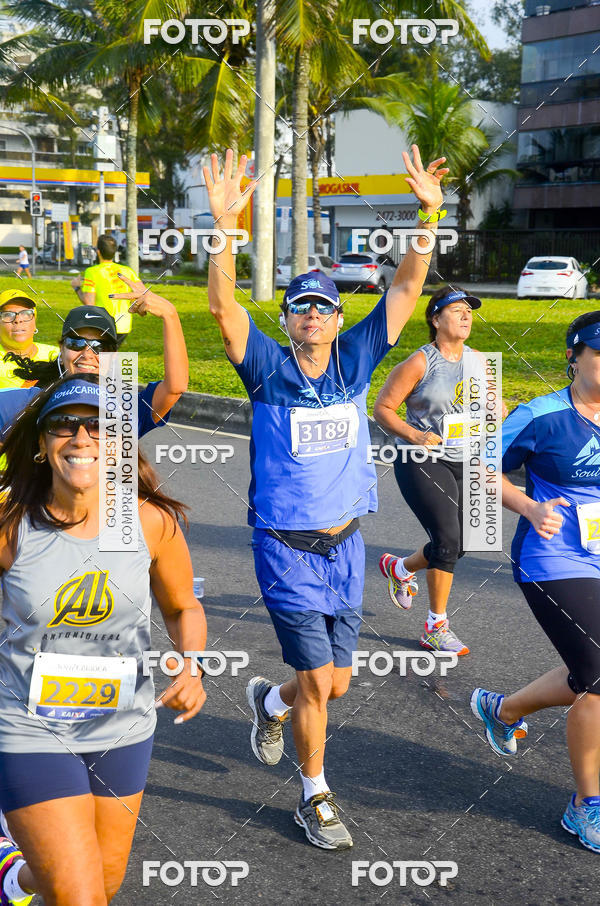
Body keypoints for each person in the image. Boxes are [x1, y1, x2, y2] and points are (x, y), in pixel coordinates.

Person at [205, 145, 449, 849]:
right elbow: (222, 308)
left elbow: (404, 292)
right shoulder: (265, 368)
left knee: (332, 685)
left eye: (323, 306)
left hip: (346, 545)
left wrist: (427, 219)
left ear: (339, 320)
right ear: (287, 320)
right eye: (299, 306)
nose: (312, 313)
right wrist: (224, 227)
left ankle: (267, 701)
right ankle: (316, 796)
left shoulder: (357, 359)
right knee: (319, 682)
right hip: (285, 548)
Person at [0, 372, 207, 905]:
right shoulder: (11, 523)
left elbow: (183, 606)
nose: (82, 437)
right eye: (65, 425)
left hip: (123, 728)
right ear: (43, 445)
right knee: (79, 898)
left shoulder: (148, 521)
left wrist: (192, 666)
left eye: (98, 426)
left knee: (102, 885)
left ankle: (13, 876)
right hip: (29, 728)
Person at [471, 310, 600, 854]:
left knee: (588, 665)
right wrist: (526, 505)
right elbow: (479, 464)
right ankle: (585, 807)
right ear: (575, 357)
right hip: (555, 560)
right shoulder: (543, 415)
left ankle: (504, 709)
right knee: (597, 672)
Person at [373, 287, 485, 655]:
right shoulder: (420, 362)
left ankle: (402, 568)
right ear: (436, 320)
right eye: (456, 310)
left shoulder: (480, 362)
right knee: (448, 540)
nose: (466, 316)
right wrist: (416, 435)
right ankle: (435, 627)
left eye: (469, 311)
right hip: (418, 458)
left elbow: (490, 410)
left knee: (465, 540)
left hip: (463, 455)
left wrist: (495, 410)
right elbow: (383, 409)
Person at [0, 276, 187, 440]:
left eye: (100, 347)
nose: (88, 354)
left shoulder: (125, 410)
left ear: (113, 356)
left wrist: (170, 315)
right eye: (76, 343)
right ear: (61, 349)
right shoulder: (32, 402)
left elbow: (174, 388)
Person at [71, 233, 139, 345]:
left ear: (98, 252)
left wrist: (76, 287)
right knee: (110, 355)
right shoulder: (128, 271)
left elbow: (89, 302)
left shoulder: (92, 272)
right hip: (124, 325)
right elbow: (140, 294)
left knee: (101, 357)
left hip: (103, 324)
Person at [0, 290, 58, 389]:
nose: (18, 319)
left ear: (34, 322)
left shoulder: (57, 354)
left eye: (26, 313)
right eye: (8, 315)